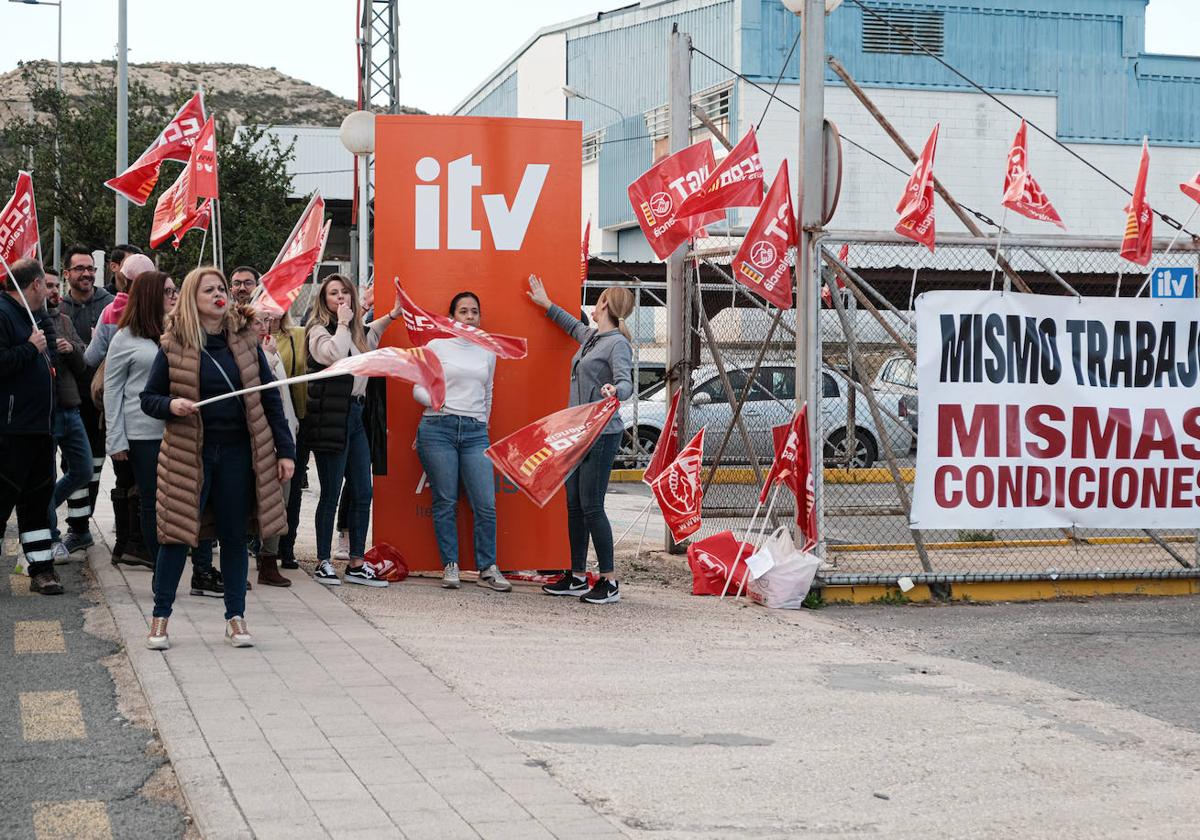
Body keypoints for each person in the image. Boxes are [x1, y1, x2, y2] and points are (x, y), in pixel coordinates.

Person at [140, 267, 294, 650]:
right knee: (177, 536)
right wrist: (172, 404)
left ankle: (236, 619)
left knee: (234, 537)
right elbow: (149, 398)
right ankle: (160, 618)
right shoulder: (174, 343)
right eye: (209, 290)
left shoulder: (244, 340)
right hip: (188, 455)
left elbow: (270, 396)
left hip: (240, 454)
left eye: (222, 288)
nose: (218, 294)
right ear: (193, 297)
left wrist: (285, 450)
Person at [526, 276, 634, 605]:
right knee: (573, 505)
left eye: (598, 300)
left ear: (604, 305)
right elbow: (571, 325)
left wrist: (616, 392)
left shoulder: (617, 344)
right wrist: (545, 303)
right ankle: (575, 576)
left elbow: (626, 383)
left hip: (601, 434)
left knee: (591, 507)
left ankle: (609, 581)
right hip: (577, 433)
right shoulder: (591, 338)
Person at [412, 291, 510, 592]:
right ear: (452, 316)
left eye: (474, 311)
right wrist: (437, 403)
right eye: (463, 311)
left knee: (486, 503)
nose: (470, 316)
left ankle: (487, 568)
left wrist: (483, 423)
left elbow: (489, 393)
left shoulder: (487, 351)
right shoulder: (436, 346)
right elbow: (417, 388)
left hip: (475, 432)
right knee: (445, 501)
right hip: (437, 428)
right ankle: (450, 565)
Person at [305, 274, 398, 587]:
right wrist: (343, 324)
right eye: (333, 293)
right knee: (330, 491)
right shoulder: (318, 329)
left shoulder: (356, 330)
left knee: (362, 489)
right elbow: (333, 356)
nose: (340, 297)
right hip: (332, 414)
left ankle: (357, 562)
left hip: (356, 414)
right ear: (324, 299)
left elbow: (371, 338)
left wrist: (394, 314)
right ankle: (323, 561)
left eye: (345, 291)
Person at [85, 252, 157, 566]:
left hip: (116, 415)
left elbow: (89, 358)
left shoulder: (110, 311)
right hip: (138, 416)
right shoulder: (155, 320)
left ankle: (124, 544)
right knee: (143, 485)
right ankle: (137, 545)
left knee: (123, 480)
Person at [104, 271, 177, 573]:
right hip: (142, 433)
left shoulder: (179, 331)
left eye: (176, 291)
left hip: (177, 429)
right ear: (150, 297)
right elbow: (112, 389)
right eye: (169, 291)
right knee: (152, 501)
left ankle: (173, 559)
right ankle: (159, 564)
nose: (175, 296)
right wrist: (116, 438)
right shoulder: (125, 337)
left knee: (175, 501)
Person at [0, 259, 61, 594]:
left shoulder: (32, 314)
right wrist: (29, 349)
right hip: (11, 430)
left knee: (38, 502)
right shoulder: (3, 312)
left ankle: (42, 569)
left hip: (40, 429)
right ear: (36, 284)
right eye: (45, 286)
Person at [56, 244, 114, 555]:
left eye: (90, 268)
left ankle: (84, 523)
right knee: (72, 465)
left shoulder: (110, 304)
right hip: (69, 400)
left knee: (96, 464)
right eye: (79, 269)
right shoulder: (59, 309)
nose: (87, 274)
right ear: (67, 274)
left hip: (102, 400)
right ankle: (78, 529)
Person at [41, 270, 93, 563]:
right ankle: (51, 536)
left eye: (53, 285)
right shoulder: (29, 322)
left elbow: (83, 360)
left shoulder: (63, 320)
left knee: (83, 470)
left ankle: (43, 508)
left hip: (70, 408)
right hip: (43, 415)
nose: (52, 290)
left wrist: (70, 347)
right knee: (44, 478)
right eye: (46, 285)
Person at [251, 310, 298, 587]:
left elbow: (282, 400)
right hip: (256, 440)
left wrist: (289, 431)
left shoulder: (270, 350)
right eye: (257, 321)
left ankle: (269, 560)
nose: (263, 326)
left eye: (266, 321)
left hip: (280, 438)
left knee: (279, 499)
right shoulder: (252, 354)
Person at [267, 309, 308, 570]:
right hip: (260, 427)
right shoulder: (243, 340)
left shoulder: (298, 335)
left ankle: (285, 547)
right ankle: (261, 547)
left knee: (289, 490)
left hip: (292, 422)